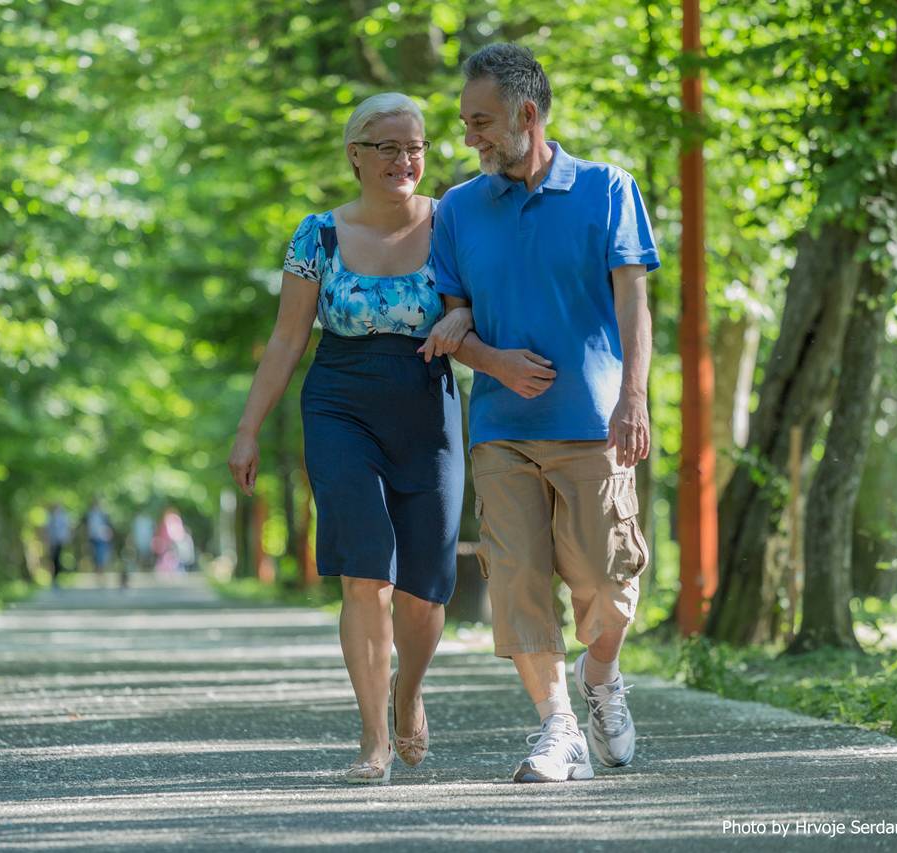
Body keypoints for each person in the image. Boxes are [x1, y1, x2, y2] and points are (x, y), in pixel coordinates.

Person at [228, 92, 472, 785]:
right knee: (365, 572)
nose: (405, 159)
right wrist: (248, 428)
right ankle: (373, 735)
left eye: (416, 145)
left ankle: (408, 691)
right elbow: (285, 339)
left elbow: (474, 312)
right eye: (389, 146)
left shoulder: (450, 224)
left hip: (427, 403)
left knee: (426, 589)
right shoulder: (318, 236)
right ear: (356, 156)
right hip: (340, 401)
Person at [431, 44, 658, 783]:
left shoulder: (607, 188)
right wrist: (495, 363)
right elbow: (451, 321)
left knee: (607, 579)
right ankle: (557, 727)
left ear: (527, 115)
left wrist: (634, 395)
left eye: (482, 122)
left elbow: (633, 299)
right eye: (467, 122)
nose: (471, 137)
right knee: (518, 579)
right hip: (500, 430)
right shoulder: (460, 207)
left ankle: (601, 678)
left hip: (593, 422)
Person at [84, 498, 115, 577]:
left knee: (101, 554)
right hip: (93, 538)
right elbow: (88, 527)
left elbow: (108, 526)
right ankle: (98, 570)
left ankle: (101, 571)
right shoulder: (90, 515)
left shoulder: (103, 515)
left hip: (102, 538)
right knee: (95, 555)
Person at [45, 502, 71, 588]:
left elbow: (65, 529)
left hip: (59, 541)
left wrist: (65, 539)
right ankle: (53, 578)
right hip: (52, 541)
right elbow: (47, 530)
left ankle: (56, 577)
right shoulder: (50, 517)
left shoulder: (63, 517)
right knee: (53, 558)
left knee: (57, 558)